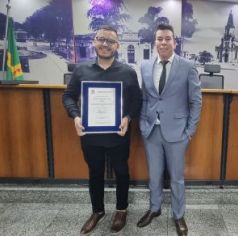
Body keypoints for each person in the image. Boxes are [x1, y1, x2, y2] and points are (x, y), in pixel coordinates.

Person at [62, 25, 142, 235]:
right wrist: (75, 116)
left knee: (122, 172)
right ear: (94, 42)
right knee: (94, 173)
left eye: (110, 41)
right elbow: (68, 96)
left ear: (117, 46)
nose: (105, 44)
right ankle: (97, 211)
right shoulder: (81, 70)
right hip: (90, 135)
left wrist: (128, 117)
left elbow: (137, 100)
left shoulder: (127, 72)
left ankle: (121, 210)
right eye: (101, 39)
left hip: (118, 135)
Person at [137, 24, 202, 236]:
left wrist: (190, 130)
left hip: (177, 132)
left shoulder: (187, 66)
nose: (163, 42)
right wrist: (142, 123)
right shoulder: (145, 66)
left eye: (167, 39)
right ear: (154, 42)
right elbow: (145, 98)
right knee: (154, 176)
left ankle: (178, 214)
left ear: (174, 42)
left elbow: (196, 101)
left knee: (176, 177)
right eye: (159, 39)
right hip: (151, 131)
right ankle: (154, 209)